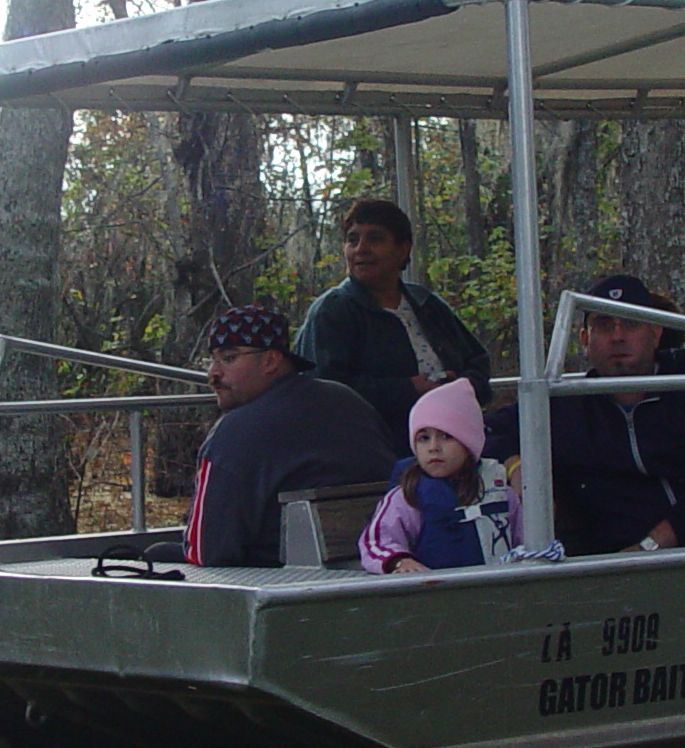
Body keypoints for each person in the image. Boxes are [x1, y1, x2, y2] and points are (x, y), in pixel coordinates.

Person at [484, 272, 685, 555]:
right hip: (625, 563)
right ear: (585, 340)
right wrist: (517, 466)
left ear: (655, 334)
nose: (618, 336)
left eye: (631, 323)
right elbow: (482, 430)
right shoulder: (568, 405)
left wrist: (658, 541)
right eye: (604, 325)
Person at [180, 303, 399, 568]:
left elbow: (205, 551)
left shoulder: (235, 431)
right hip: (378, 564)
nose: (213, 373)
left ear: (271, 360)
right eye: (212, 359)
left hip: (277, 579)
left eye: (229, 358)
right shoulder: (347, 400)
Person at [294, 198, 492, 445]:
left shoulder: (426, 303)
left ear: (403, 249)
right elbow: (322, 391)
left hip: (454, 442)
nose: (361, 249)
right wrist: (408, 390)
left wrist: (460, 389)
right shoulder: (333, 311)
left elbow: (478, 360)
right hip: (373, 450)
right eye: (353, 240)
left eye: (375, 238)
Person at [358, 378, 520, 573]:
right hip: (431, 593)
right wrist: (399, 561)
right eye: (424, 438)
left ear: (469, 444)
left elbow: (528, 540)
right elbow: (378, 540)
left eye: (447, 436)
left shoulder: (501, 492)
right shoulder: (407, 498)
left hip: (496, 590)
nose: (434, 447)